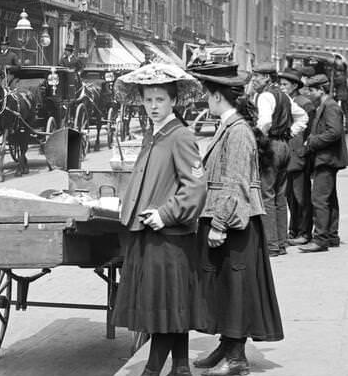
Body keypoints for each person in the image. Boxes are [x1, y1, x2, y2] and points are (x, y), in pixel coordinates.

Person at [112, 62, 206, 376]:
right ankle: (180, 366)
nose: (153, 106)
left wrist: (165, 214)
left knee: (162, 306)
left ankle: (152, 370)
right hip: (150, 234)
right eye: (148, 99)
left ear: (173, 101)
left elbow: (195, 186)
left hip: (168, 238)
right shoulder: (153, 135)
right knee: (171, 303)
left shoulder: (179, 136)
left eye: (160, 100)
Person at [190, 67, 283, 376]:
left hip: (234, 223)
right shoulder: (229, 126)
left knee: (236, 288)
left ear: (217, 97)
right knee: (225, 288)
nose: (205, 100)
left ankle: (237, 358)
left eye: (207, 95)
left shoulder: (238, 130)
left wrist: (219, 224)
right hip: (229, 218)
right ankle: (226, 346)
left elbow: (236, 182)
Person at [249, 66, 306, 257]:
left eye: (256, 76)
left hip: (270, 146)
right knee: (280, 197)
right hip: (284, 146)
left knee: (266, 195)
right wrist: (290, 132)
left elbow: (264, 121)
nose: (254, 79)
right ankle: (281, 243)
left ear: (266, 77)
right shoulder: (283, 96)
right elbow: (302, 117)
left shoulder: (265, 96)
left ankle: (271, 245)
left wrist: (255, 136)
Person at [299, 74, 348, 253]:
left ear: (321, 90)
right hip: (328, 158)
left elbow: (334, 132)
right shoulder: (327, 105)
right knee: (329, 198)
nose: (309, 93)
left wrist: (312, 141)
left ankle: (320, 239)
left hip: (327, 158)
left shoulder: (330, 106)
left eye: (311, 90)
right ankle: (331, 235)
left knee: (319, 198)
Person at [280, 71, 314, 245]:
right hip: (288, 155)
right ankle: (293, 230)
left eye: (285, 85)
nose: (282, 87)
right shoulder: (284, 102)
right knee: (290, 196)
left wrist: (304, 152)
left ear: (294, 86)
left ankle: (305, 232)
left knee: (302, 196)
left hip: (300, 155)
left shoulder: (305, 104)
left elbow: (310, 133)